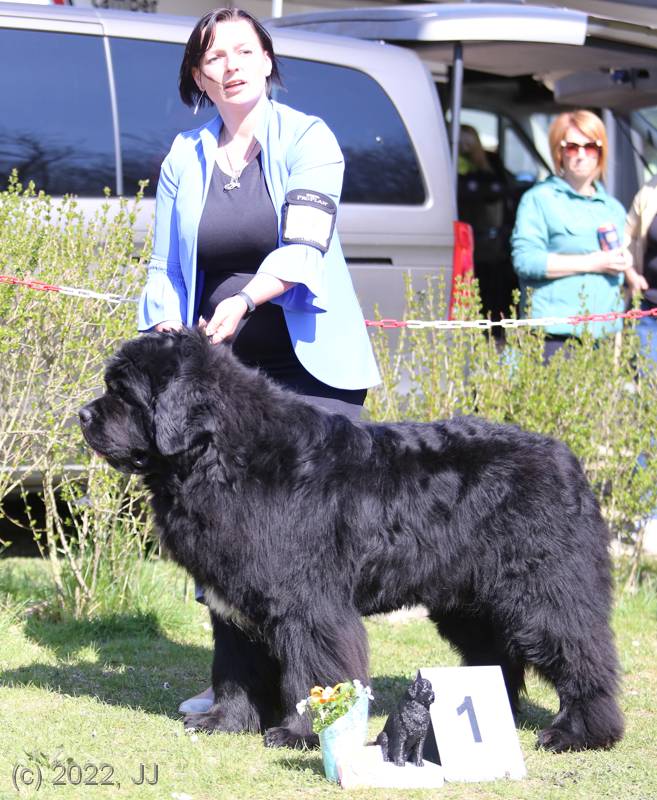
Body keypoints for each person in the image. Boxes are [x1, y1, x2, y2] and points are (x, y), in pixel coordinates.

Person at [137, 7, 380, 713]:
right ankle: (240, 689)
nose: (232, 66)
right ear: (197, 75)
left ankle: (327, 691)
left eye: (245, 51)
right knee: (222, 526)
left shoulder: (308, 137)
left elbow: (304, 247)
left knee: (313, 543)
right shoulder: (183, 156)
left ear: (268, 60)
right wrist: (164, 324)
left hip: (311, 368)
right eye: (215, 57)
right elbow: (163, 264)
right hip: (223, 377)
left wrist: (246, 298)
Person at [511, 109, 642, 362]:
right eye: (572, 147)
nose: (581, 155)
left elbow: (618, 257)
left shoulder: (612, 207)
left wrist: (628, 268)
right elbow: (526, 261)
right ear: (559, 153)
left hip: (604, 337)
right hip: (554, 338)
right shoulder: (539, 199)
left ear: (601, 153)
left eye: (590, 147)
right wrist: (593, 263)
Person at [624, 173, 657, 367]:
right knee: (647, 380)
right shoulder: (650, 190)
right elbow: (627, 235)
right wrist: (631, 274)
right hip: (649, 309)